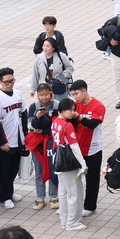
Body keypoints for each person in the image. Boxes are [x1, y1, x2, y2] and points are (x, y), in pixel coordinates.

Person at [0, 67, 25, 210]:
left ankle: (10, 191)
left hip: (18, 138)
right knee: (4, 170)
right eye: (7, 82)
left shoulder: (18, 94)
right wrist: (2, 143)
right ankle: (4, 197)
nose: (10, 84)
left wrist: (25, 136)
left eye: (12, 81)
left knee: (14, 168)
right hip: (5, 141)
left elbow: (24, 115)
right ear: (0, 82)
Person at [68, 79, 107, 216]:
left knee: (92, 179)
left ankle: (90, 206)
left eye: (77, 93)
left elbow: (92, 125)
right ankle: (74, 203)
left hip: (93, 149)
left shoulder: (98, 106)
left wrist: (78, 117)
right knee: (74, 177)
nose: (75, 97)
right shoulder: (75, 105)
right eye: (72, 94)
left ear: (84, 91)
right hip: (77, 148)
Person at [50, 98, 87, 231]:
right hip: (68, 163)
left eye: (73, 110)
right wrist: (83, 164)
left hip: (58, 161)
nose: (72, 113)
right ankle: (72, 222)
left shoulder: (55, 122)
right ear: (62, 110)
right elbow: (74, 146)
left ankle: (64, 220)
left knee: (63, 192)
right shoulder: (68, 125)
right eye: (70, 110)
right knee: (73, 193)